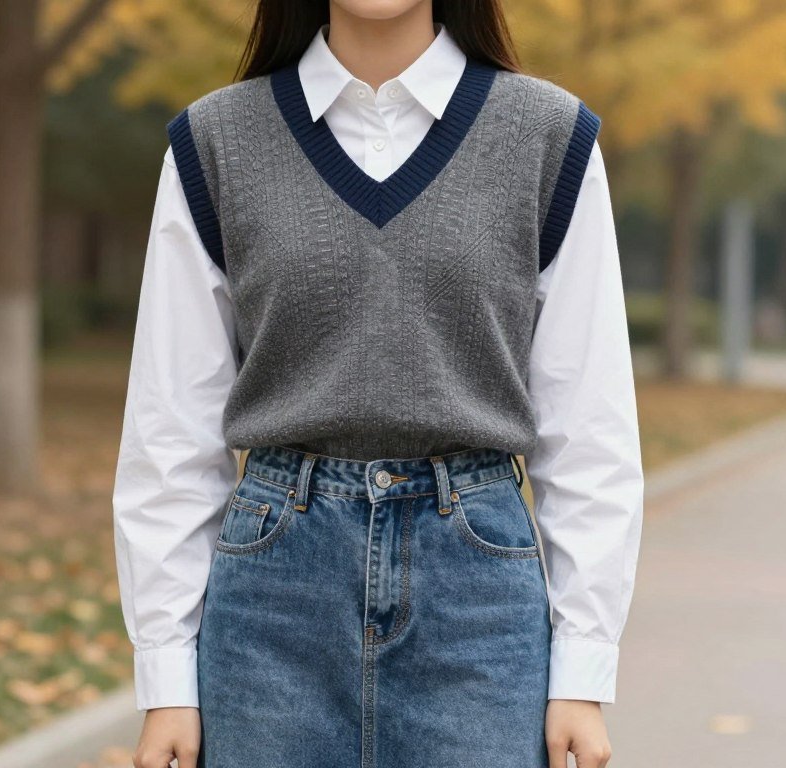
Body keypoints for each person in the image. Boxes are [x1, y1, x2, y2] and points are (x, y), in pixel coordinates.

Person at [112, 2, 644, 767]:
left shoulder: (549, 138)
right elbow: (170, 433)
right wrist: (166, 677)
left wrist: (583, 673)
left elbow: (588, 428)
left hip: (480, 602)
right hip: (271, 602)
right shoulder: (214, 142)